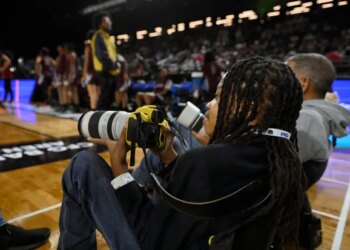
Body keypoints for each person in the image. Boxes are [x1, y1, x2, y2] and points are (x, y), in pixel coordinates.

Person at [59, 57, 305, 250]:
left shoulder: (207, 162)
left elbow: (150, 242)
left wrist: (119, 164)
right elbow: (197, 210)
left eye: (219, 97)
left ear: (248, 108)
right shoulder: (283, 159)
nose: (208, 104)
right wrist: (168, 155)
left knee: (84, 164)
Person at [286, 53, 350, 248]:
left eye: (286, 74)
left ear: (303, 83)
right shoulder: (313, 114)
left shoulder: (307, 118)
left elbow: (270, 164)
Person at [91, 13, 120, 110]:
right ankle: (97, 120)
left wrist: (117, 63)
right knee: (104, 98)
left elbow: (114, 54)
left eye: (109, 21)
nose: (109, 23)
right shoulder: (99, 36)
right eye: (106, 21)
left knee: (109, 99)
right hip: (104, 71)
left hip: (110, 71)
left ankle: (106, 121)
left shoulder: (108, 37)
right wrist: (114, 65)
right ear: (100, 24)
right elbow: (102, 55)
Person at [82, 29, 100, 110]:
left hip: (90, 72)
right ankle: (100, 111)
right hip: (99, 71)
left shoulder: (88, 47)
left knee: (92, 94)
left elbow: (86, 62)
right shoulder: (100, 46)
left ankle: (93, 111)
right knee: (98, 93)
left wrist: (84, 75)